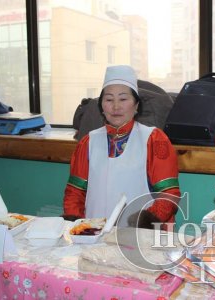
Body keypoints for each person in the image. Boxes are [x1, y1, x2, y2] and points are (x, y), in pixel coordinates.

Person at [62, 65, 181, 229]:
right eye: (109, 99)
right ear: (101, 106)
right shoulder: (88, 142)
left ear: (136, 104)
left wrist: (144, 222)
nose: (116, 107)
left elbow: (169, 195)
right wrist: (77, 227)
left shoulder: (154, 140)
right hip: (93, 236)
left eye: (123, 99)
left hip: (138, 239)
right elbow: (75, 193)